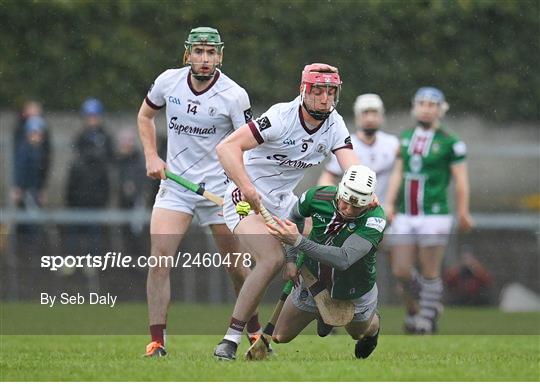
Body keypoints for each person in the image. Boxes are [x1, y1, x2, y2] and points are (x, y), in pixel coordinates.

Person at [213, 63, 359, 360]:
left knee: (326, 244)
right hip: (244, 198)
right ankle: (230, 338)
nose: (324, 98)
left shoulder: (335, 124)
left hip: (284, 203)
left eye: (330, 91)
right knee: (272, 259)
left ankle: (318, 302)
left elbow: (352, 167)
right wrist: (247, 187)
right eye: (318, 91)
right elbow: (227, 148)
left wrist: (365, 195)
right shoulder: (281, 117)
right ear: (304, 91)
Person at [137, 27, 257, 357]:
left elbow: (248, 145)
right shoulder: (167, 82)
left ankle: (255, 333)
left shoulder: (234, 95)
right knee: (159, 260)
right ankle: (157, 342)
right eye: (199, 52)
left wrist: (242, 188)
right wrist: (151, 155)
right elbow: (145, 116)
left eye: (211, 53)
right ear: (187, 53)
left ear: (220, 56)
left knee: (235, 266)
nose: (205, 59)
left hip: (219, 191)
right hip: (176, 188)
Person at [267, 165, 385, 359]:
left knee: (358, 333)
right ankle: (323, 312)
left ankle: (373, 325)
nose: (348, 210)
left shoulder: (375, 219)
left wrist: (298, 241)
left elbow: (344, 259)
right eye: (345, 202)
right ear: (339, 192)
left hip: (354, 288)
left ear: (368, 203)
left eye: (356, 207)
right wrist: (290, 259)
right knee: (280, 336)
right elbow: (294, 217)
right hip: (314, 278)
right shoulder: (317, 196)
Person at [384, 87, 473, 334]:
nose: (426, 108)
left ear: (440, 109)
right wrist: (389, 203)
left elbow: (461, 181)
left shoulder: (450, 142)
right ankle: (431, 301)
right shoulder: (405, 137)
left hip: (434, 214)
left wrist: (463, 211)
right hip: (405, 214)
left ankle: (425, 319)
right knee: (400, 269)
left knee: (430, 270)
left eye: (431, 104)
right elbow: (398, 173)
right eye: (421, 103)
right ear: (415, 107)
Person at [318, 93, 399, 205]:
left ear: (382, 115)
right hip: (356, 211)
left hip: (387, 211)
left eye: (374, 113)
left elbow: (400, 174)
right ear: (357, 116)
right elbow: (325, 180)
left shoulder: (393, 143)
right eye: (365, 113)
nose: (370, 118)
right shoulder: (344, 144)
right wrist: (341, 199)